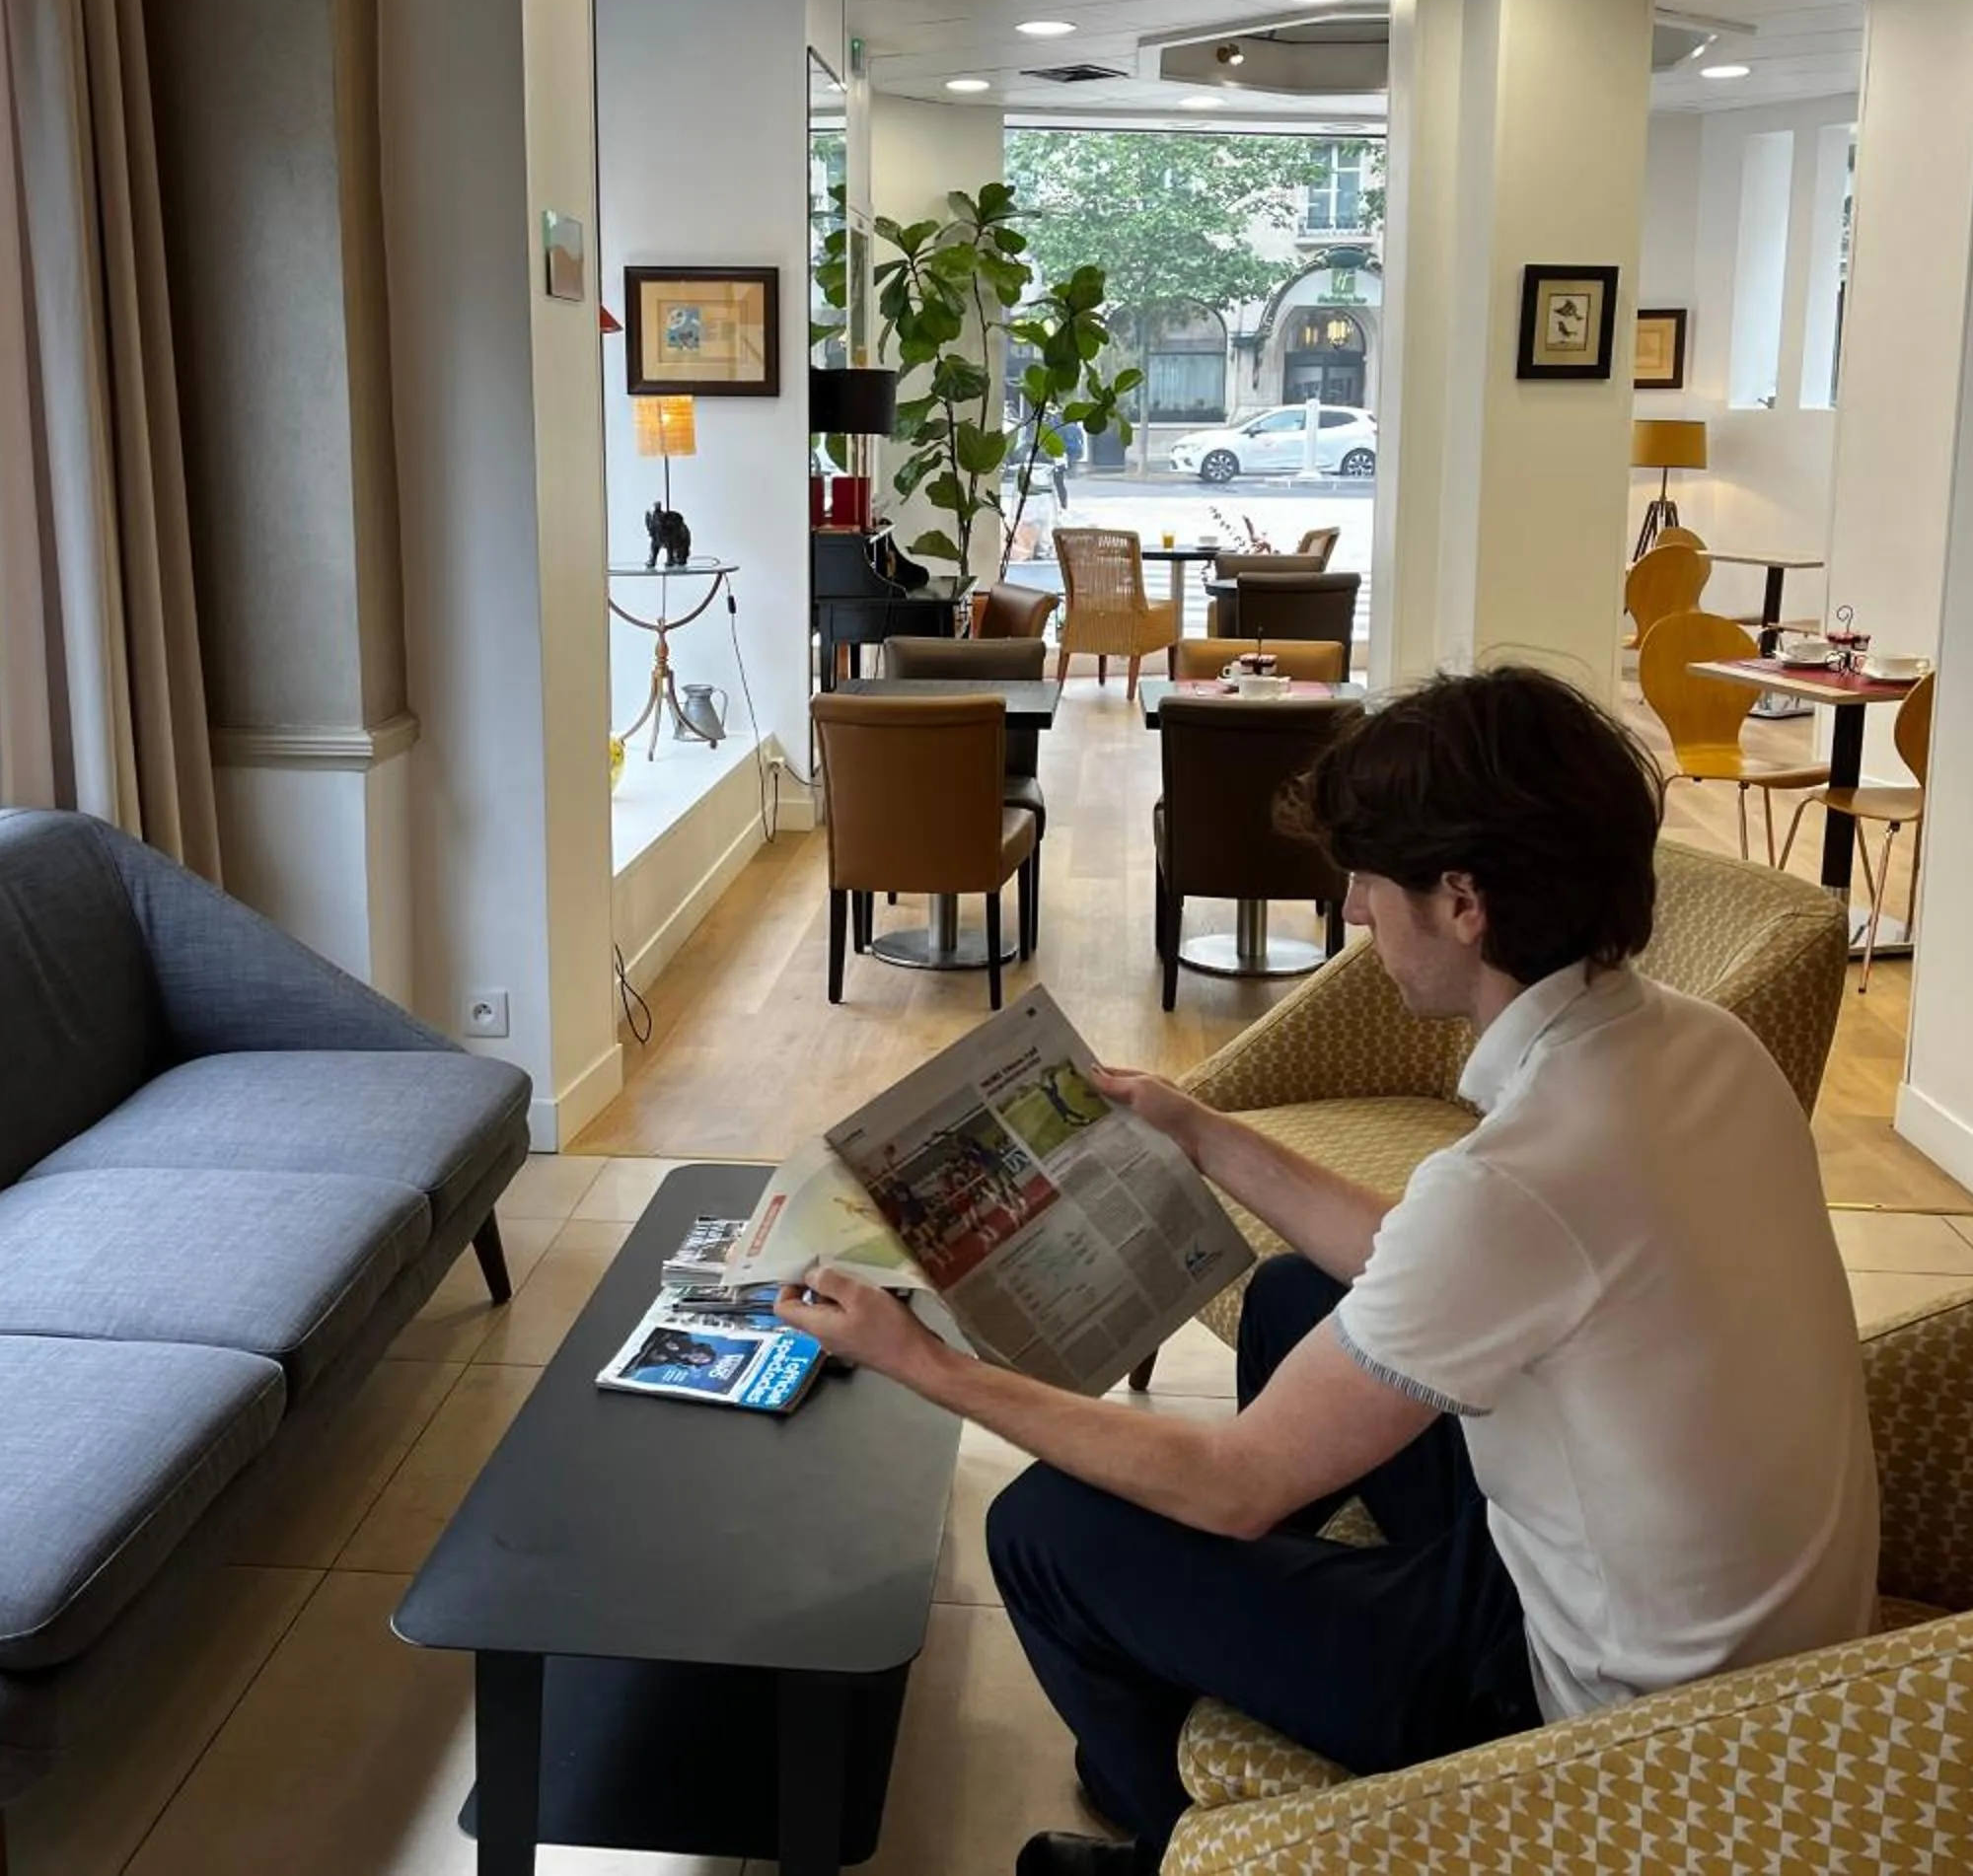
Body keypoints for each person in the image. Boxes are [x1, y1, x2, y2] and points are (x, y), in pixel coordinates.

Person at [777, 666, 1879, 1876]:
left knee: (1045, 1530)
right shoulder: (1693, 1046)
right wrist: (1195, 1126)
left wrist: (920, 1361)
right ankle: (1236, 1639)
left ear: (1463, 902)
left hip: (1602, 1711)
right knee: (1304, 1295)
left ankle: (1180, 1845)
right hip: (1717, 1623)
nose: (1352, 911)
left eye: (1367, 881)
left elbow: (1238, 1484)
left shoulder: (1525, 1174)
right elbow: (1443, 1263)